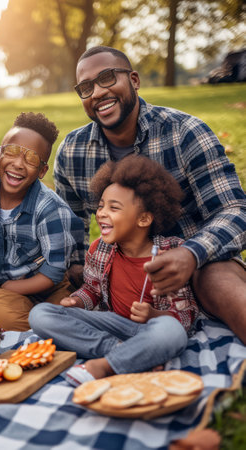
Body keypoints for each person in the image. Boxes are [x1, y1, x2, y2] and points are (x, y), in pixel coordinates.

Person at [54, 45, 246, 343]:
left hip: (199, 267)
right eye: (86, 87)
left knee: (218, 282)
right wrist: (80, 271)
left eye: (107, 78)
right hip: (121, 276)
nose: (97, 93)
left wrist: (191, 254)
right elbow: (69, 223)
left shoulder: (185, 132)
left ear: (134, 79)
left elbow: (235, 209)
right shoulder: (73, 151)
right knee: (51, 311)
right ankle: (113, 355)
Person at [29, 155, 199, 384]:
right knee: (40, 315)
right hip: (111, 327)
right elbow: (92, 290)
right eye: (101, 206)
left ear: (144, 218)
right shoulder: (99, 250)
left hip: (153, 328)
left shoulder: (171, 253)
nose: (101, 213)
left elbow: (186, 316)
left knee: (172, 332)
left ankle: (104, 365)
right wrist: (78, 301)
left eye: (114, 208)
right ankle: (126, 353)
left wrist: (153, 315)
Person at [0, 112, 84, 331]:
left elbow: (52, 273)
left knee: (16, 316)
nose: (18, 163)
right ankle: (14, 307)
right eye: (12, 152)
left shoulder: (50, 209)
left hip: (44, 285)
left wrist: (10, 287)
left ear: (42, 171)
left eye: (31, 159)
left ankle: (44, 319)